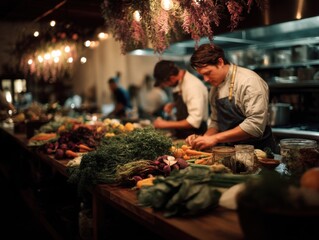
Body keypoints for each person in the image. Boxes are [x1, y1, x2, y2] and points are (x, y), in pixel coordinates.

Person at [186, 43, 277, 153]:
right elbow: (216, 122)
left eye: (208, 73)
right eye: (202, 75)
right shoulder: (215, 88)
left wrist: (215, 138)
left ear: (220, 62)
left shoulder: (249, 81)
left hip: (258, 151)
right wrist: (204, 139)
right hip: (230, 151)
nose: (205, 79)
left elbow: (255, 125)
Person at [152, 60, 209, 139]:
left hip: (196, 135)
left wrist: (165, 124)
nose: (166, 86)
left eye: (164, 84)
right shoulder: (180, 82)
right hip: (183, 134)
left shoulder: (192, 86)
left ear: (172, 78)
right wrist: (174, 104)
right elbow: (187, 100)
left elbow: (194, 122)